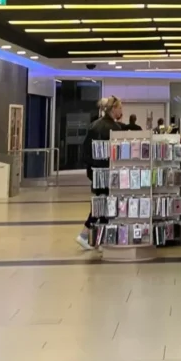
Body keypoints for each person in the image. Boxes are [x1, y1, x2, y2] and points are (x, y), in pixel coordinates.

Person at [76, 97, 122, 250]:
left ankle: (98, 238)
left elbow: (85, 152)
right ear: (113, 109)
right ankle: (86, 234)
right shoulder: (114, 128)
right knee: (104, 204)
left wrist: (92, 169)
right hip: (108, 171)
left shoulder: (94, 126)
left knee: (102, 203)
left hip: (95, 171)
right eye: (120, 108)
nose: (121, 111)